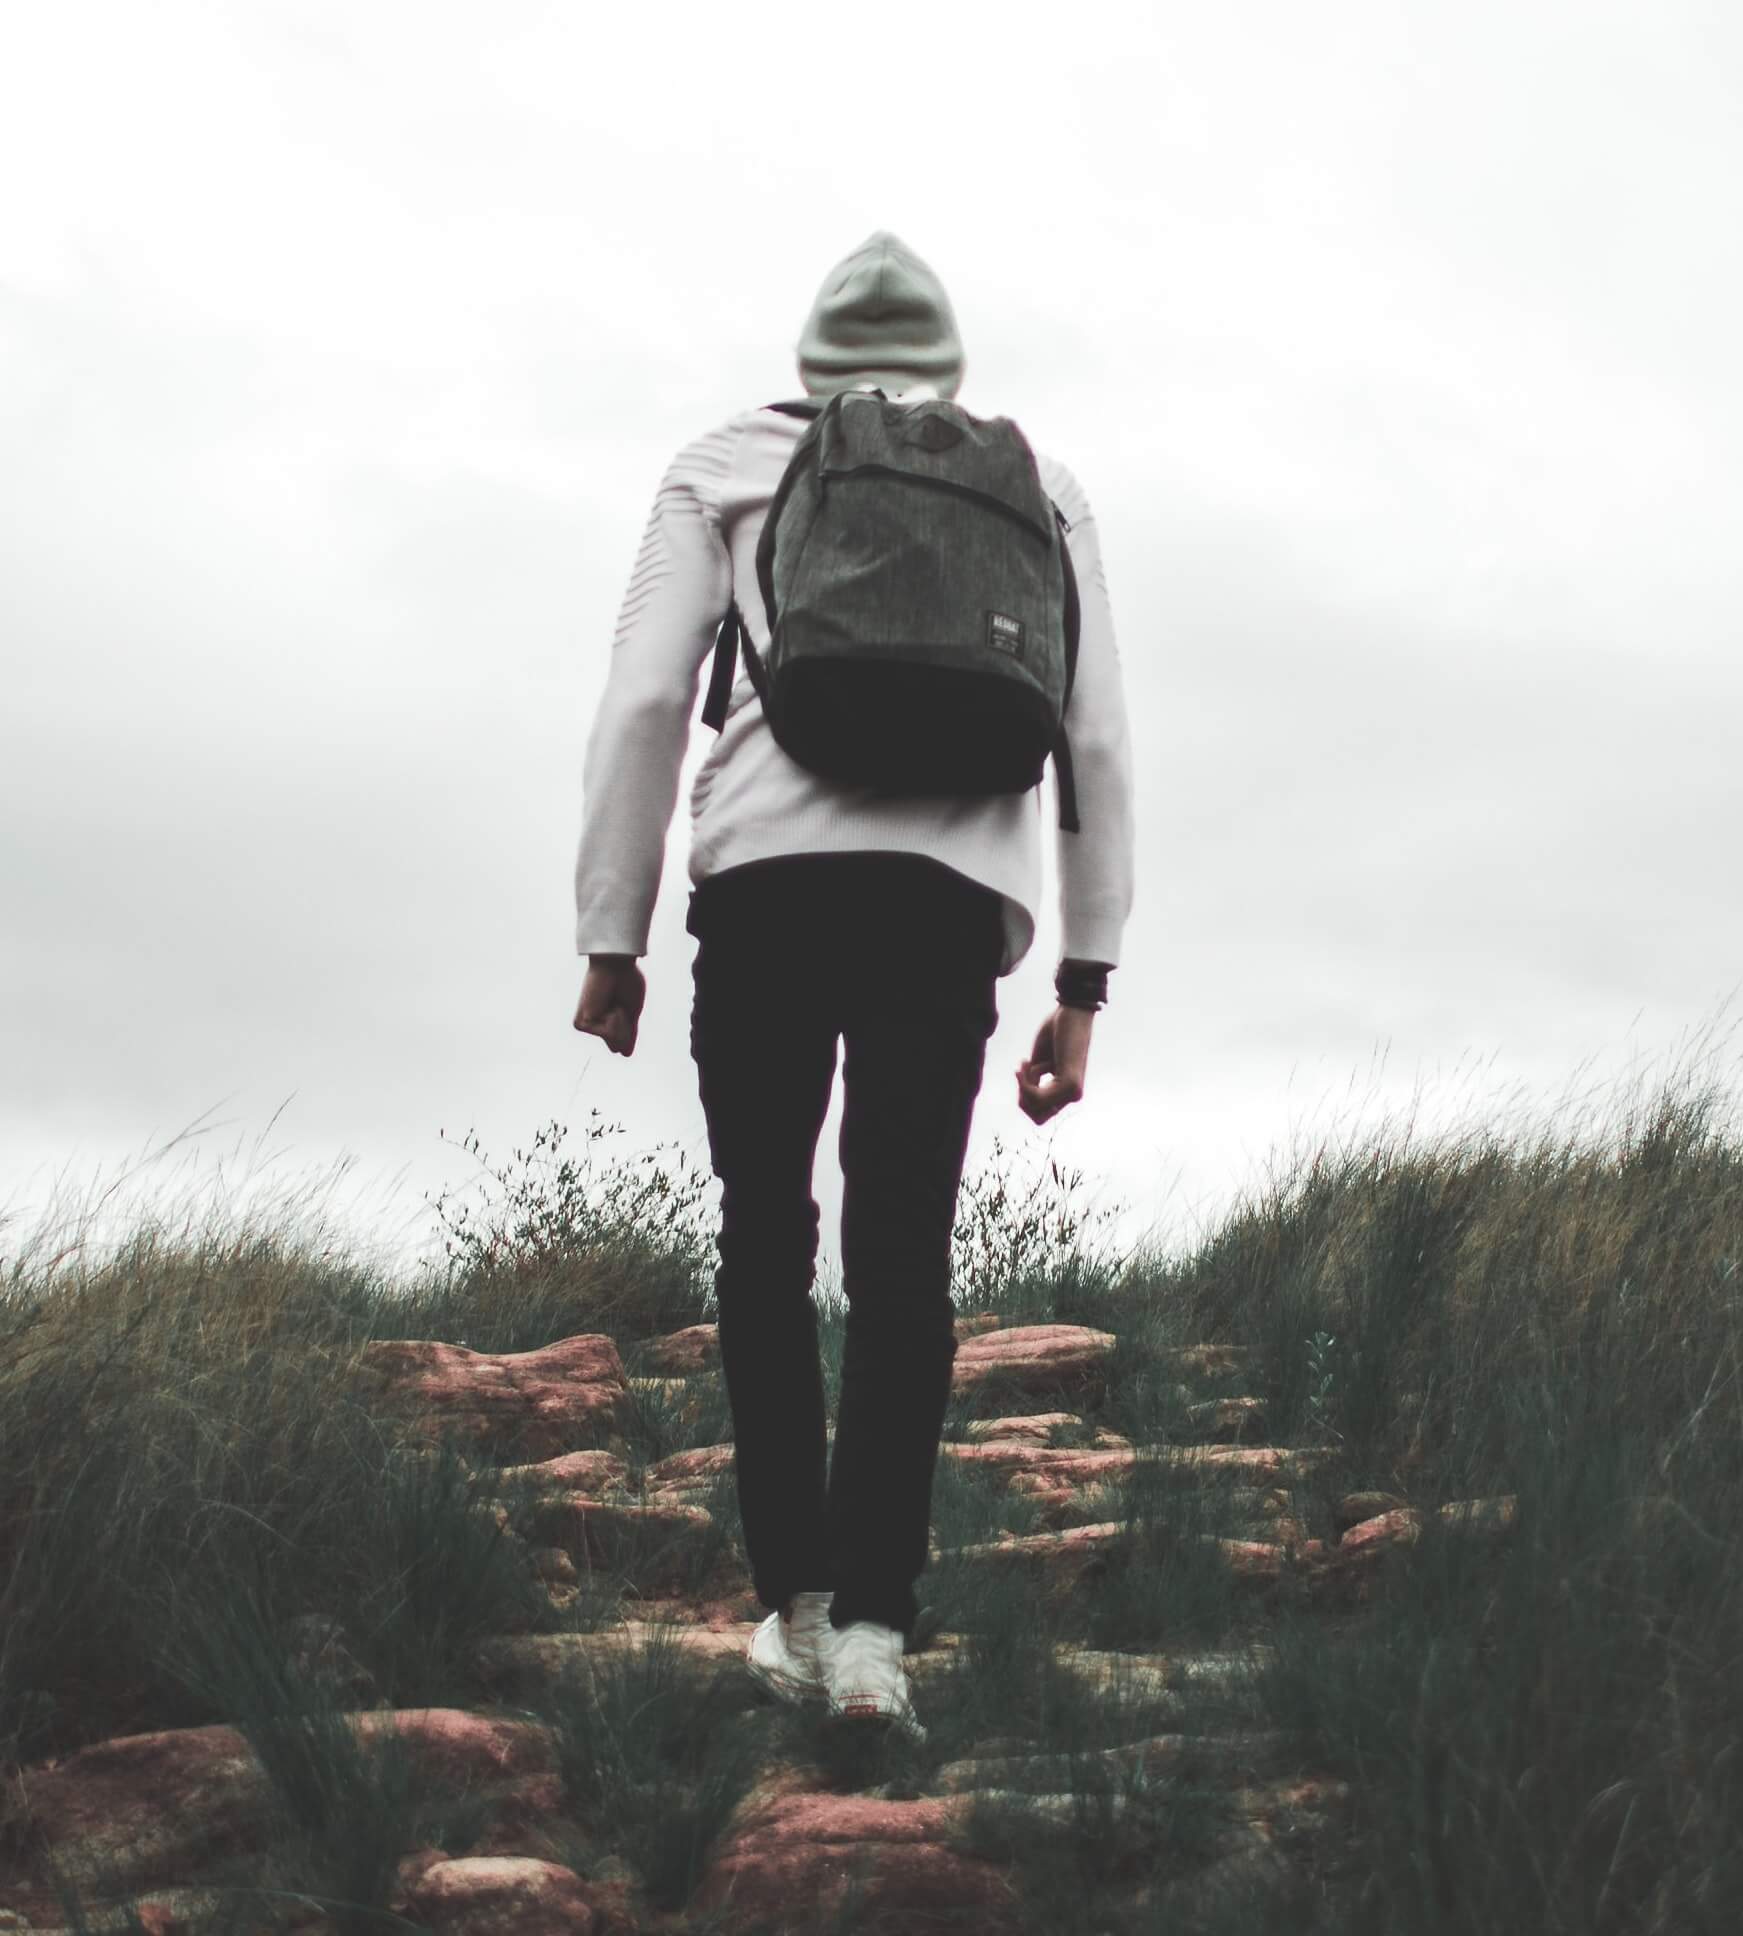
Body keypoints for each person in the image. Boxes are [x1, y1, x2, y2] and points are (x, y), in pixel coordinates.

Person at [572, 230, 1135, 1741]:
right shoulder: (1037, 483)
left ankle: (801, 1605)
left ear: (810, 356)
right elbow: (1096, 748)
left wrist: (610, 935)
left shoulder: (729, 461)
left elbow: (641, 701)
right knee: (904, 1261)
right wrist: (1082, 979)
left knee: (767, 1236)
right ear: (947, 364)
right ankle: (881, 1633)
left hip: (762, 886)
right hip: (947, 906)